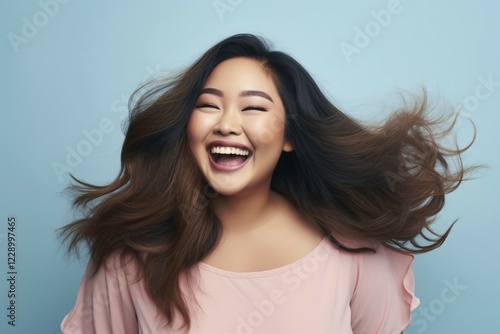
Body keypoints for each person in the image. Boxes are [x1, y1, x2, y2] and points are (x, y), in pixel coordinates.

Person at [59, 33, 473, 333]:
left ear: (290, 136)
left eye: (253, 107)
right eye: (208, 105)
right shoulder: (130, 255)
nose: (226, 124)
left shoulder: (355, 253)